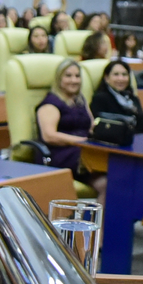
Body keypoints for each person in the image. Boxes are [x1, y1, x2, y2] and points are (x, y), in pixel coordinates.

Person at [35, 59, 98, 192]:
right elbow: (49, 136)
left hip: (83, 151)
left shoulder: (80, 100)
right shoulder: (51, 103)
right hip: (60, 154)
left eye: (77, 76)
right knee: (107, 166)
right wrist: (82, 141)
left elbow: (91, 126)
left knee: (109, 182)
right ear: (59, 79)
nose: (74, 80)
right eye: (68, 76)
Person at [90, 58, 143, 135]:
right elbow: (101, 129)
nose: (121, 79)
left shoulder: (133, 99)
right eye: (116, 74)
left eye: (124, 75)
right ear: (106, 78)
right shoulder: (100, 99)